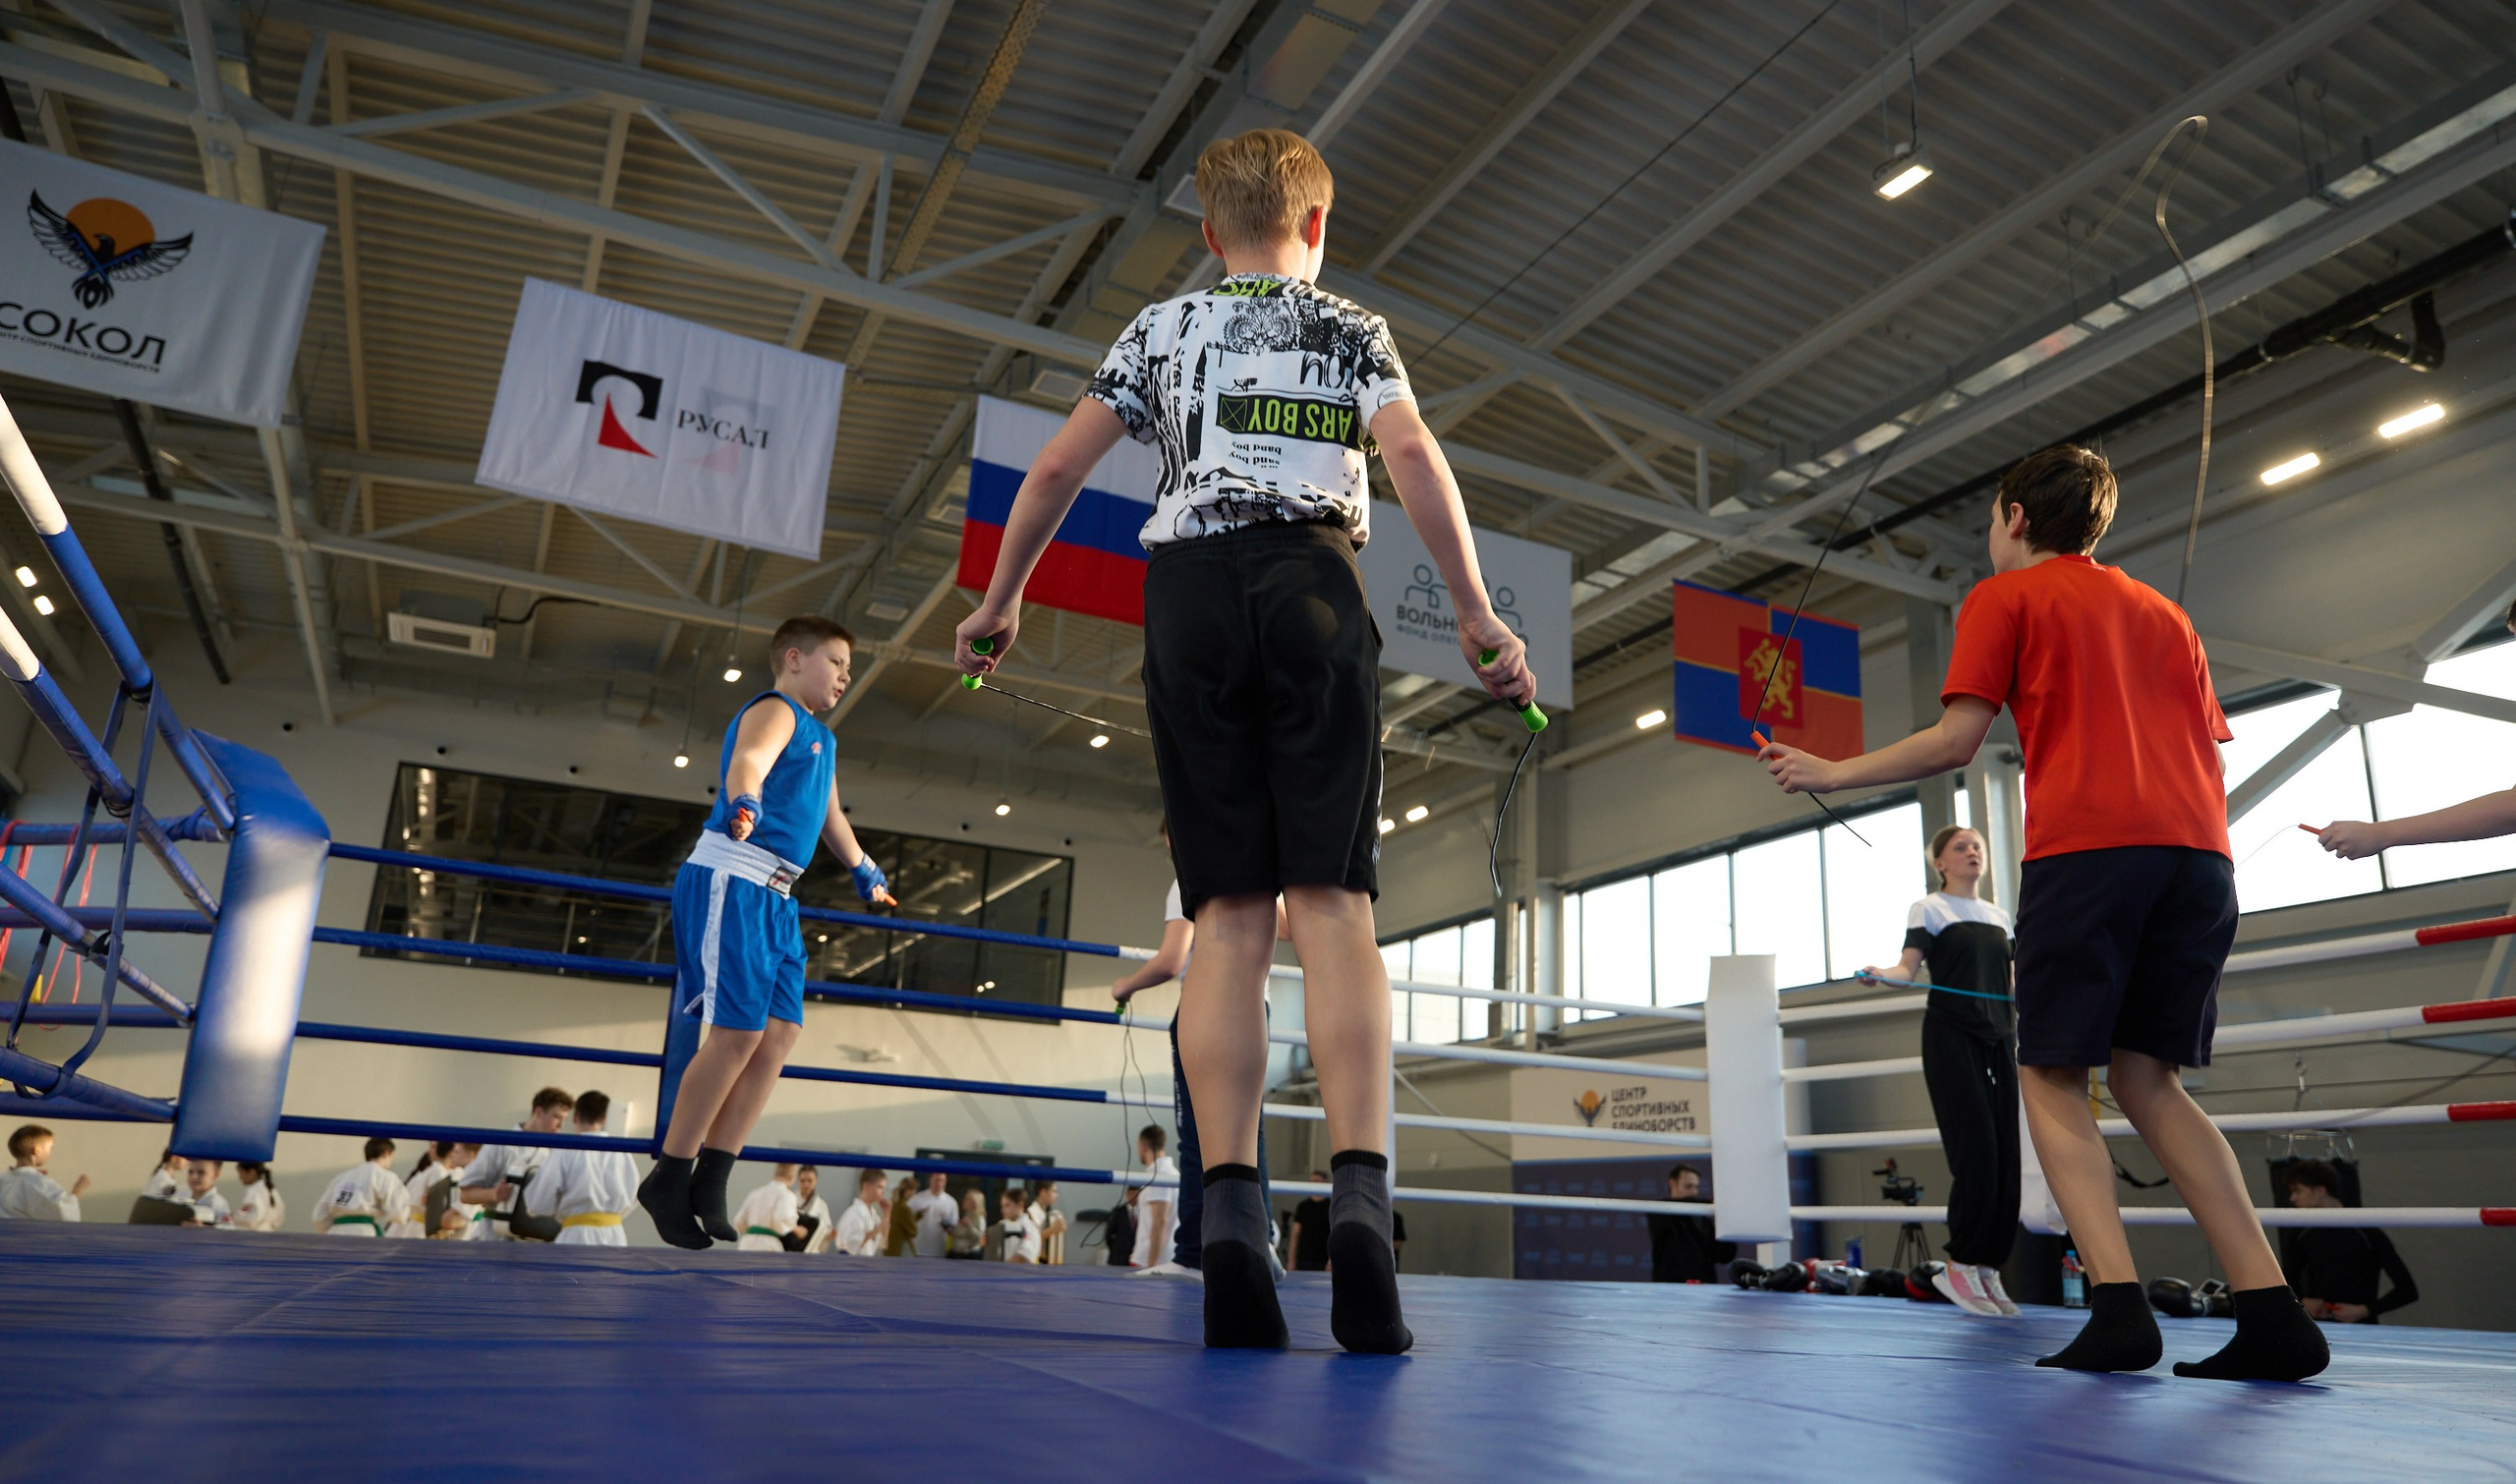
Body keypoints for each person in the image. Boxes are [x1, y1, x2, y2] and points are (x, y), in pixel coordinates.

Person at [956, 127, 1535, 1355]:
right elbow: (1413, 455)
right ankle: (1364, 1206)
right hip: (1312, 583)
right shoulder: (1349, 330)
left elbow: (1057, 466)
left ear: (1208, 236)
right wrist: (1479, 614)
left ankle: (1227, 1221)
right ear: (1317, 230)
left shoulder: (1156, 331)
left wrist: (1002, 596)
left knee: (1226, 915)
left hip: (1188, 598)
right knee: (1333, 907)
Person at [1758, 444, 2327, 1382]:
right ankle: (2272, 1312)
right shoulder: (2166, 613)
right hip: (2200, 860)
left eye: (1990, 519)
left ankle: (2116, 1308)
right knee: (2150, 1082)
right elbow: (2201, 736)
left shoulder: (2005, 598)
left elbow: (1955, 741)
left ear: (2015, 518)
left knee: (2053, 1075)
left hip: (2091, 853)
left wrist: (1830, 771)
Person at [638, 616, 895, 1251]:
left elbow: (830, 815)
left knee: (779, 1035)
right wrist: (745, 802)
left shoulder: (822, 740)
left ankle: (714, 1174)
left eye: (848, 668)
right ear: (793, 658)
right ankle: (671, 1176)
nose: (844, 676)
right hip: (736, 874)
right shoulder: (776, 708)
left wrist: (864, 869)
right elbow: (750, 760)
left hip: (779, 897)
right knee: (737, 1034)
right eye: (835, 662)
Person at [1860, 825, 2022, 1318]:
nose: (1972, 852)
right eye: (1960, 847)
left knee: (2006, 1154)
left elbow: (2014, 984)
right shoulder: (1928, 909)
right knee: (1974, 1147)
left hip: (2001, 1035)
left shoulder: (2000, 917)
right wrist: (1879, 975)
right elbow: (1907, 970)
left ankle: (1988, 1266)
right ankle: (1961, 1264)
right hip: (1952, 1034)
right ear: (1940, 863)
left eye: (1977, 846)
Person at [1112, 825, 1285, 1283]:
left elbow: (1171, 960)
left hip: (1205, 1008)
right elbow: (1286, 924)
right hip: (1254, 1007)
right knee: (1250, 1132)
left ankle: (1193, 1254)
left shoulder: (1190, 876)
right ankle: (1260, 1239)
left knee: (1196, 1136)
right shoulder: (1259, 871)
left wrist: (1123, 986)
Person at [2284, 1160, 2419, 1324]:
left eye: (2298, 1191)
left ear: (2320, 1190)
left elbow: (2408, 1290)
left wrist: (2365, 1310)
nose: (2292, 1198)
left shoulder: (2366, 1231)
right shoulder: (2300, 1232)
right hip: (2319, 1328)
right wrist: (2303, 1301)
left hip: (2363, 1329)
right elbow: (2287, 1279)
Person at [522, 1090, 638, 1247]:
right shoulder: (622, 1151)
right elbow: (634, 1194)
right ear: (604, 1119)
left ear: (575, 1117)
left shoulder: (564, 1151)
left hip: (576, 1236)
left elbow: (537, 1202)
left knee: (572, 1272)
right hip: (615, 1235)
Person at [460, 1087, 574, 1242]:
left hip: (539, 1243)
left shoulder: (557, 1153)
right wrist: (493, 1194)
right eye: (556, 1117)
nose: (560, 1125)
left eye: (564, 1119)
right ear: (539, 1112)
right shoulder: (501, 1145)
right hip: (496, 1238)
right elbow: (465, 1195)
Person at [1645, 1165, 1734, 1284]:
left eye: (1696, 1187)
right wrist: (1711, 1203)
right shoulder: (1659, 1211)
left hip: (1705, 1286)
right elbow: (1678, 1208)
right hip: (1671, 1288)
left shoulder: (1702, 1215)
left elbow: (1723, 1256)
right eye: (1688, 1186)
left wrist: (1728, 1221)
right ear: (1672, 1184)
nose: (1694, 1192)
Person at [315, 1138, 413, 1237]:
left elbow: (319, 1216)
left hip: (334, 1233)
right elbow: (399, 1213)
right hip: (363, 1233)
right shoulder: (384, 1176)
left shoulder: (340, 1178)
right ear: (387, 1153)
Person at [0, 1124, 86, 1221]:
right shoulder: (38, 1182)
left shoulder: (4, 1179)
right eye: (50, 1148)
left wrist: (35, 1177)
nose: (50, 1152)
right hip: (26, 1234)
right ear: (37, 1150)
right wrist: (77, 1190)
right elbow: (64, 1214)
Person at [1128, 1125, 1179, 1271]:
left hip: (1152, 1261)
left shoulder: (1159, 1174)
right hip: (1162, 1258)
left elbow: (1160, 1221)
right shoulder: (1172, 1173)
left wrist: (1152, 1266)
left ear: (1143, 1147)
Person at [397, 1143, 462, 1239]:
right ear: (451, 1153)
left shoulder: (431, 1170)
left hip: (416, 1226)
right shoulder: (438, 1171)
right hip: (424, 1228)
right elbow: (438, 1206)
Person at [731, 1164, 800, 1252]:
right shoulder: (787, 1195)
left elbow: (738, 1221)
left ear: (775, 1174)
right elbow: (783, 1218)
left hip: (746, 1243)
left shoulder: (755, 1193)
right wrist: (796, 1229)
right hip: (768, 1245)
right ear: (791, 1177)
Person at [832, 1169, 887, 1256]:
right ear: (866, 1186)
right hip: (850, 1262)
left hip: (864, 1262)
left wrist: (886, 1213)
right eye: (879, 1187)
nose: (883, 1192)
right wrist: (877, 1229)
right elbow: (852, 1244)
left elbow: (884, 1243)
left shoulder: (872, 1213)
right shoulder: (855, 1212)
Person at [907, 1170, 958, 1258]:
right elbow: (906, 1220)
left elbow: (954, 1225)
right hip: (918, 1248)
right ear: (930, 1180)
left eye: (942, 1180)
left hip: (939, 1250)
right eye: (936, 1180)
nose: (939, 1183)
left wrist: (948, 1228)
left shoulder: (951, 1202)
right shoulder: (916, 1199)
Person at [1287, 1173, 1330, 1272]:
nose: (1313, 1184)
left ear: (1325, 1183)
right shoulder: (1303, 1206)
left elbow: (1335, 1234)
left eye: (1317, 1181)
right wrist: (1291, 1260)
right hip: (1304, 1259)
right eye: (1311, 1181)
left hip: (1323, 1260)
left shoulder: (1331, 1206)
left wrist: (1331, 1261)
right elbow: (1295, 1234)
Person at [787, 1165, 832, 1254]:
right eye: (803, 1180)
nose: (806, 1184)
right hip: (791, 1248)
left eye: (810, 1180)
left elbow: (827, 1230)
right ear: (798, 1180)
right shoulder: (789, 1199)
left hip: (812, 1251)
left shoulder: (821, 1205)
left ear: (816, 1180)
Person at [178, 1158, 231, 1228]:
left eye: (201, 1173)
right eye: (190, 1172)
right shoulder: (179, 1197)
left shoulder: (218, 1203)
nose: (194, 1177)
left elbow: (227, 1230)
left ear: (215, 1175)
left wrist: (202, 1228)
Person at [233, 1161, 283, 1232]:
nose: (239, 1177)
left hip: (255, 1236)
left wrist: (235, 1219)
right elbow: (279, 1215)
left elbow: (251, 1219)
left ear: (252, 1173)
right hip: (270, 1234)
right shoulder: (272, 1190)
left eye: (241, 1172)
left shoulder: (254, 1191)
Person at [996, 1187, 1042, 1265]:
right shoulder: (1002, 1225)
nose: (1003, 1209)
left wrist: (1002, 1267)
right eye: (1002, 1206)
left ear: (1020, 1205)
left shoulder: (1029, 1228)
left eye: (1007, 1205)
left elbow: (1024, 1254)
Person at [1027, 1181, 1067, 1266]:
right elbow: (1030, 1240)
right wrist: (1053, 1229)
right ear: (1043, 1192)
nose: (1057, 1195)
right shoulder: (1030, 1213)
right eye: (1054, 1191)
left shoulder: (1048, 1214)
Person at [884, 1175, 920, 1256]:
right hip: (900, 1250)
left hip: (889, 1248)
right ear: (908, 1191)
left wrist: (917, 1216)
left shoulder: (892, 1205)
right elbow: (913, 1231)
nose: (914, 1194)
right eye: (913, 1191)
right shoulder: (904, 1208)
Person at [1103, 1185, 1137, 1267]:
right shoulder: (1118, 1212)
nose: (1134, 1197)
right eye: (1132, 1194)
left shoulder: (1143, 1212)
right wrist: (1115, 1249)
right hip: (1119, 1256)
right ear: (1127, 1195)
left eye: (1136, 1195)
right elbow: (1109, 1234)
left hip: (1135, 1254)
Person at [945, 1190, 986, 1259]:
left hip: (969, 1255)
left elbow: (979, 1238)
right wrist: (952, 1230)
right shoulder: (966, 1215)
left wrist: (969, 1225)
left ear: (974, 1203)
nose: (963, 1201)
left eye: (967, 1199)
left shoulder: (979, 1219)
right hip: (956, 1253)